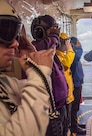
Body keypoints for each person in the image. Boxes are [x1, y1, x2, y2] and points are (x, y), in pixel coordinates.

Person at [0, 0, 55, 135]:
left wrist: (32, 66)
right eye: (6, 33)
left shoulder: (4, 83)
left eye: (15, 34)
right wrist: (39, 72)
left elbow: (41, 93)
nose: (15, 43)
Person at [31, 15, 68, 136]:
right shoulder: (35, 50)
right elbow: (44, 48)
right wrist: (53, 36)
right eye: (52, 30)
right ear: (39, 31)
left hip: (60, 105)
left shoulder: (49, 49)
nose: (56, 33)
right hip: (48, 111)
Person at [56, 33, 75, 134]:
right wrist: (70, 49)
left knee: (67, 123)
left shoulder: (61, 55)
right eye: (66, 43)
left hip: (67, 96)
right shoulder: (57, 57)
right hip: (63, 98)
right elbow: (67, 63)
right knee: (63, 125)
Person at [70, 36, 86, 135]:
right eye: (77, 43)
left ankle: (74, 124)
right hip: (75, 84)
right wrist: (79, 48)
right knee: (74, 107)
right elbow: (77, 57)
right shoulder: (73, 55)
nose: (79, 44)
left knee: (76, 106)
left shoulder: (73, 54)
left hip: (78, 83)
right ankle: (74, 126)